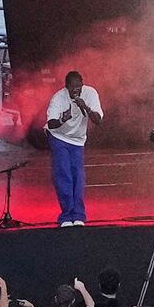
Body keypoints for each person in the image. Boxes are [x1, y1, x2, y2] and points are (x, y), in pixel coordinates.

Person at [39, 70, 106, 229]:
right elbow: (51, 123)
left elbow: (98, 120)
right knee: (64, 175)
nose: (76, 90)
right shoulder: (58, 98)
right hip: (59, 137)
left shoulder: (90, 93)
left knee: (78, 177)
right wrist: (63, 118)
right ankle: (66, 215)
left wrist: (87, 108)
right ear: (66, 87)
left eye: (79, 87)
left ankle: (79, 215)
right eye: (72, 88)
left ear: (82, 85)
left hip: (78, 140)